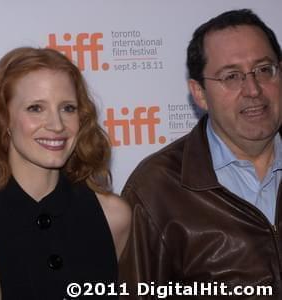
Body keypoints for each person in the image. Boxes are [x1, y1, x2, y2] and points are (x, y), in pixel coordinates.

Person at [119, 9, 282, 299]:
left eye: (264, 69)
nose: (254, 90)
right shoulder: (156, 189)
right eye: (231, 76)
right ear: (200, 93)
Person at [0, 47, 131, 300]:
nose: (57, 125)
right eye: (36, 108)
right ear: (3, 118)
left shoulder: (113, 216)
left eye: (68, 108)